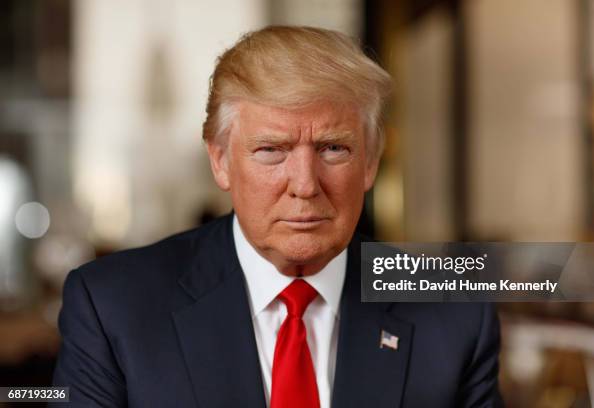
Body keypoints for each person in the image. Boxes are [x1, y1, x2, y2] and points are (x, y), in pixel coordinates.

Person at [52, 26, 502, 407]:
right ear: (221, 161)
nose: (305, 184)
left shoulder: (453, 313)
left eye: (333, 148)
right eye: (271, 150)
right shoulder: (112, 307)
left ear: (370, 163)